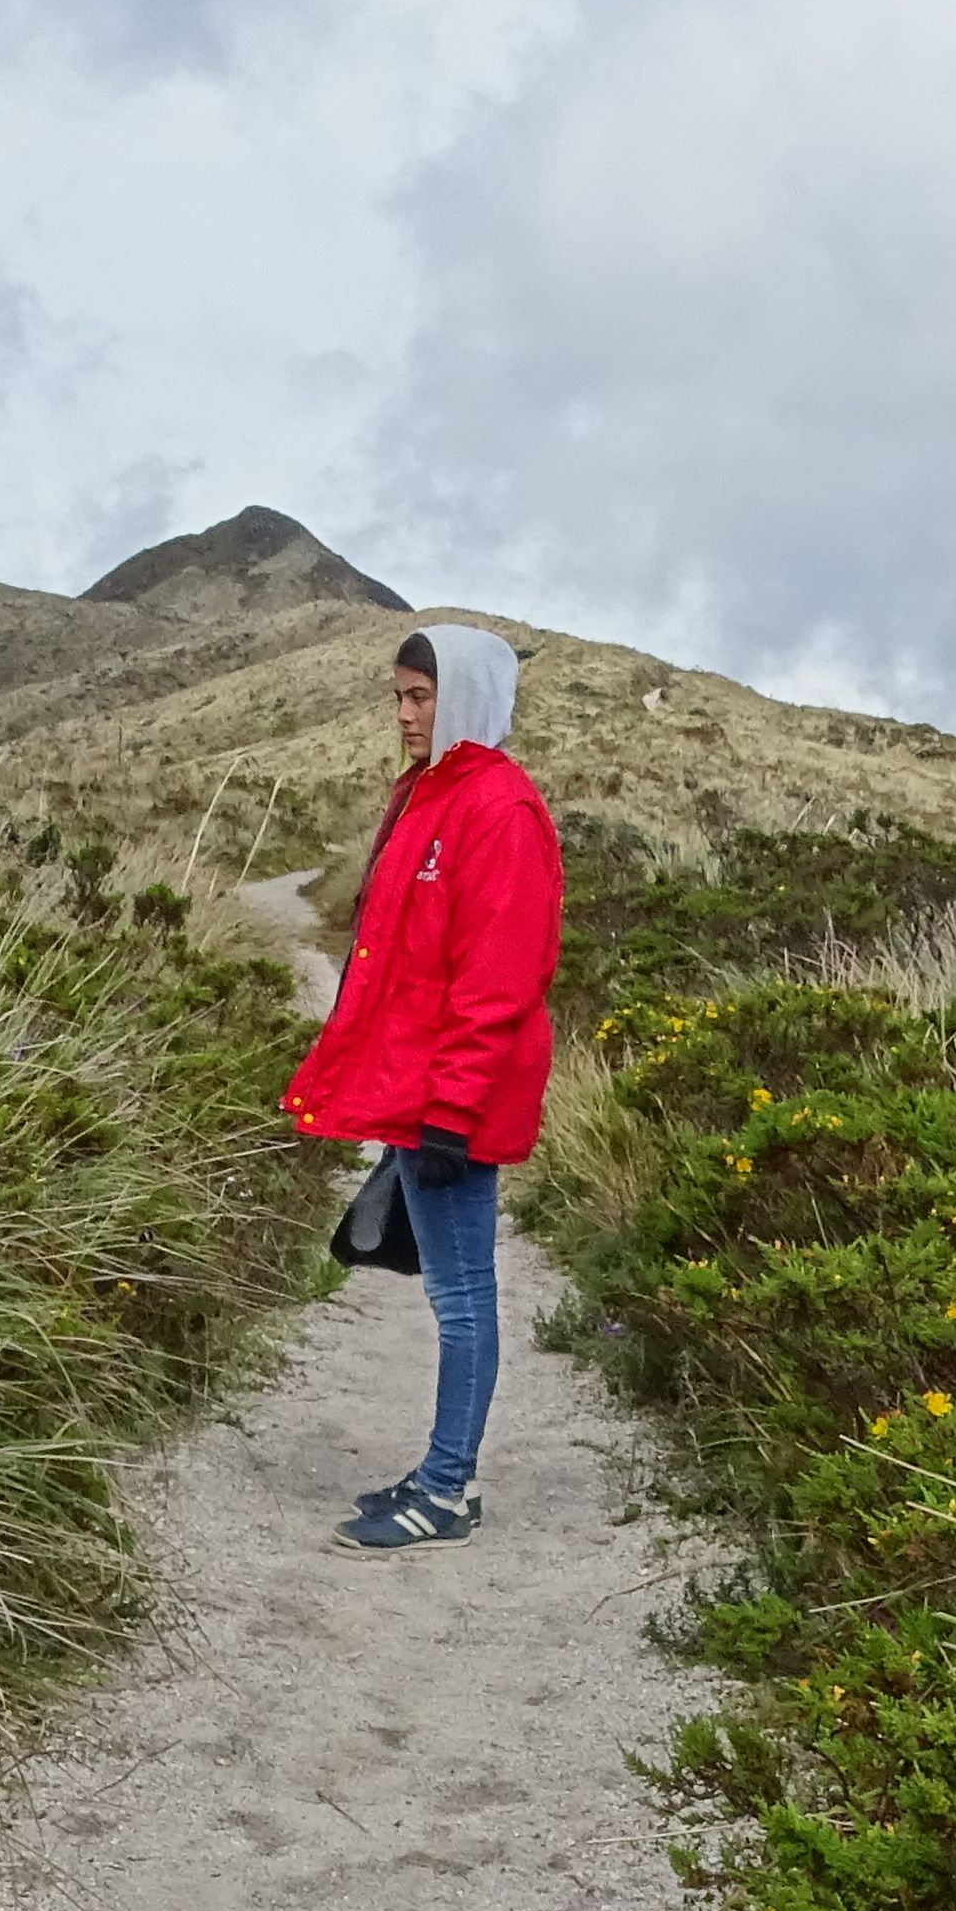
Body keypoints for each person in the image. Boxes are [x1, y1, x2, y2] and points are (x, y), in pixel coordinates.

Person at [282, 622, 563, 1549]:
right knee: (456, 1289)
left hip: (456, 1101)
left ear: (467, 697)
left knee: (463, 1296)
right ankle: (445, 1473)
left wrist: (447, 1115)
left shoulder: (498, 810)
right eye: (398, 696)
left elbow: (499, 980)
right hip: (421, 1090)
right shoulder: (428, 795)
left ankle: (446, 1488)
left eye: (421, 696)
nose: (404, 714)